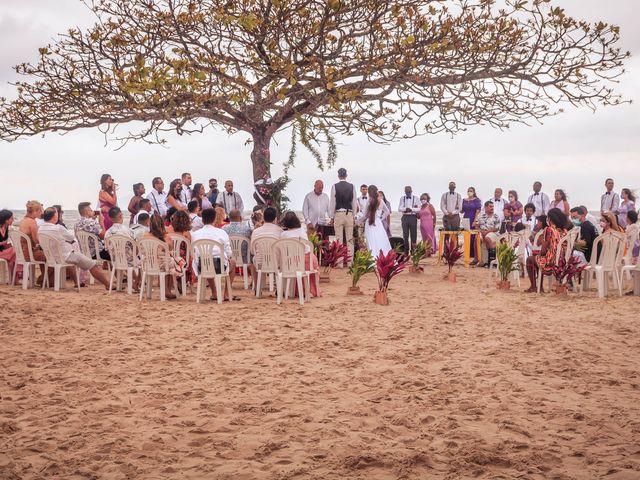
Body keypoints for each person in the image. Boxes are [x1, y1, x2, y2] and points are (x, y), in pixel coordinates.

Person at [39, 207, 110, 289]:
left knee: (78, 259)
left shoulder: (41, 228)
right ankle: (107, 284)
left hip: (52, 257)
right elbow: (71, 237)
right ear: (55, 216)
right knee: (91, 264)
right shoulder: (58, 228)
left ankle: (78, 282)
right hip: (66, 255)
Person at [191, 208, 238, 301]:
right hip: (218, 266)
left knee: (206, 260)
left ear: (203, 220)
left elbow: (194, 252)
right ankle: (226, 294)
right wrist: (228, 257)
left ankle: (214, 292)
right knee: (232, 262)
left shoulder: (195, 234)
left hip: (202, 266)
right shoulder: (221, 232)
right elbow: (228, 252)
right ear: (214, 219)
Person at [525, 208, 568, 293]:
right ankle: (539, 287)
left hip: (551, 261)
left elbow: (544, 250)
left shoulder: (549, 229)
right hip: (562, 260)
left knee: (530, 259)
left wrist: (538, 253)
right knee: (537, 258)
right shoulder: (564, 231)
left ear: (550, 219)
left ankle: (534, 286)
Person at [280, 211, 320, 297]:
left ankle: (295, 290)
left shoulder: (284, 234)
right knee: (308, 267)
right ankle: (310, 290)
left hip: (292, 264)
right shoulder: (302, 231)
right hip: (309, 262)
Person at [141, 214, 177, 299]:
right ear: (162, 224)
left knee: (169, 262)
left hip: (148, 264)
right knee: (172, 262)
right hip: (161, 264)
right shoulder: (166, 237)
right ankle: (167, 290)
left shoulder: (145, 236)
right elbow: (170, 249)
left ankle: (166, 290)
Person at [329, 168, 357, 265]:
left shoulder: (334, 186)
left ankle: (339, 262)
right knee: (349, 239)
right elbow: (354, 202)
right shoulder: (352, 186)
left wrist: (331, 217)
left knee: (338, 239)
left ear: (338, 175)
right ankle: (350, 262)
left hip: (339, 213)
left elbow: (333, 202)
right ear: (346, 175)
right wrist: (353, 215)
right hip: (349, 213)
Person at [358, 185, 391, 259]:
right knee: (381, 240)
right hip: (378, 223)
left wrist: (357, 221)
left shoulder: (369, 201)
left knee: (371, 242)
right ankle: (384, 258)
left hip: (370, 223)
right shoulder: (381, 201)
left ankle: (373, 258)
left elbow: (365, 215)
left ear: (369, 192)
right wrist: (380, 218)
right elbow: (387, 212)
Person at [19, 200, 46, 284]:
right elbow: (36, 240)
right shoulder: (32, 222)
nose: (41, 213)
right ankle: (45, 280)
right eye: (40, 211)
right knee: (50, 256)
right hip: (29, 253)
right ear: (35, 211)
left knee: (43, 255)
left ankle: (44, 280)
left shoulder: (23, 220)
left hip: (22, 252)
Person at [475, 201, 501, 265]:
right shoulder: (480, 215)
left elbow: (497, 228)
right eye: (490, 206)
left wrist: (487, 232)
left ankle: (491, 260)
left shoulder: (496, 216)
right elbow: (476, 225)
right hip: (482, 231)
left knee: (487, 238)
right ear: (485, 207)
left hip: (493, 232)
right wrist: (481, 231)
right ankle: (480, 260)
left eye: (492, 206)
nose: (492, 208)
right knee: (478, 239)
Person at [398, 186, 421, 253]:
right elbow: (399, 208)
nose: (408, 192)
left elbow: (419, 209)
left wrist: (411, 209)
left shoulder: (416, 198)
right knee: (405, 235)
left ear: (411, 191)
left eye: (409, 191)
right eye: (406, 191)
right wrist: (405, 209)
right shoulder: (402, 198)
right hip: (404, 217)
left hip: (413, 217)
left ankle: (413, 251)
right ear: (405, 191)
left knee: (413, 234)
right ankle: (406, 250)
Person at [0, 210, 17, 276]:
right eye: (11, 218)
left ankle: (14, 277)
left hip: (2, 251)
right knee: (15, 251)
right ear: (6, 220)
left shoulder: (6, 227)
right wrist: (3, 243)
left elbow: (5, 243)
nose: (13, 220)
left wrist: (7, 244)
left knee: (15, 253)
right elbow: (3, 242)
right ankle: (15, 277)